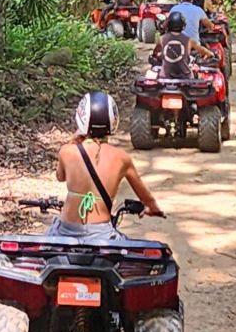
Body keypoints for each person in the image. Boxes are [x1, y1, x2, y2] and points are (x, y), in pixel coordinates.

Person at [49, 92, 164, 241]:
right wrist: (152, 207)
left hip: (65, 231)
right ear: (113, 121)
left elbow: (60, 177)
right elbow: (145, 197)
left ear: (81, 118)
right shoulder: (122, 158)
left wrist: (74, 141)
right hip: (102, 234)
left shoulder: (67, 151)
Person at [154, 11, 214, 78]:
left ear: (169, 24)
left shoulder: (162, 39)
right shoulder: (189, 40)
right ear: (183, 25)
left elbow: (155, 53)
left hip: (165, 76)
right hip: (186, 76)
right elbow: (203, 51)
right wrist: (210, 54)